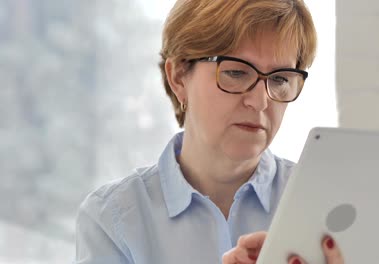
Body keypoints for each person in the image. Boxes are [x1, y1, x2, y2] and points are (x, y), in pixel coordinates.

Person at [75, 0, 344, 263]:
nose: (261, 101)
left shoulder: (326, 206)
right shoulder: (111, 220)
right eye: (237, 72)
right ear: (179, 76)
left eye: (279, 79)